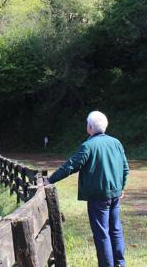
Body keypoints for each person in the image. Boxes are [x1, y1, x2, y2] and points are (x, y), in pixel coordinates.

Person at [45, 111, 129, 267]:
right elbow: (125, 168)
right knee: (116, 230)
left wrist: (50, 179)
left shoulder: (88, 145)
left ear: (90, 127)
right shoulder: (116, 142)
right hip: (115, 193)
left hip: (98, 197)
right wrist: (122, 187)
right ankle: (120, 263)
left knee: (102, 234)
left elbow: (71, 166)